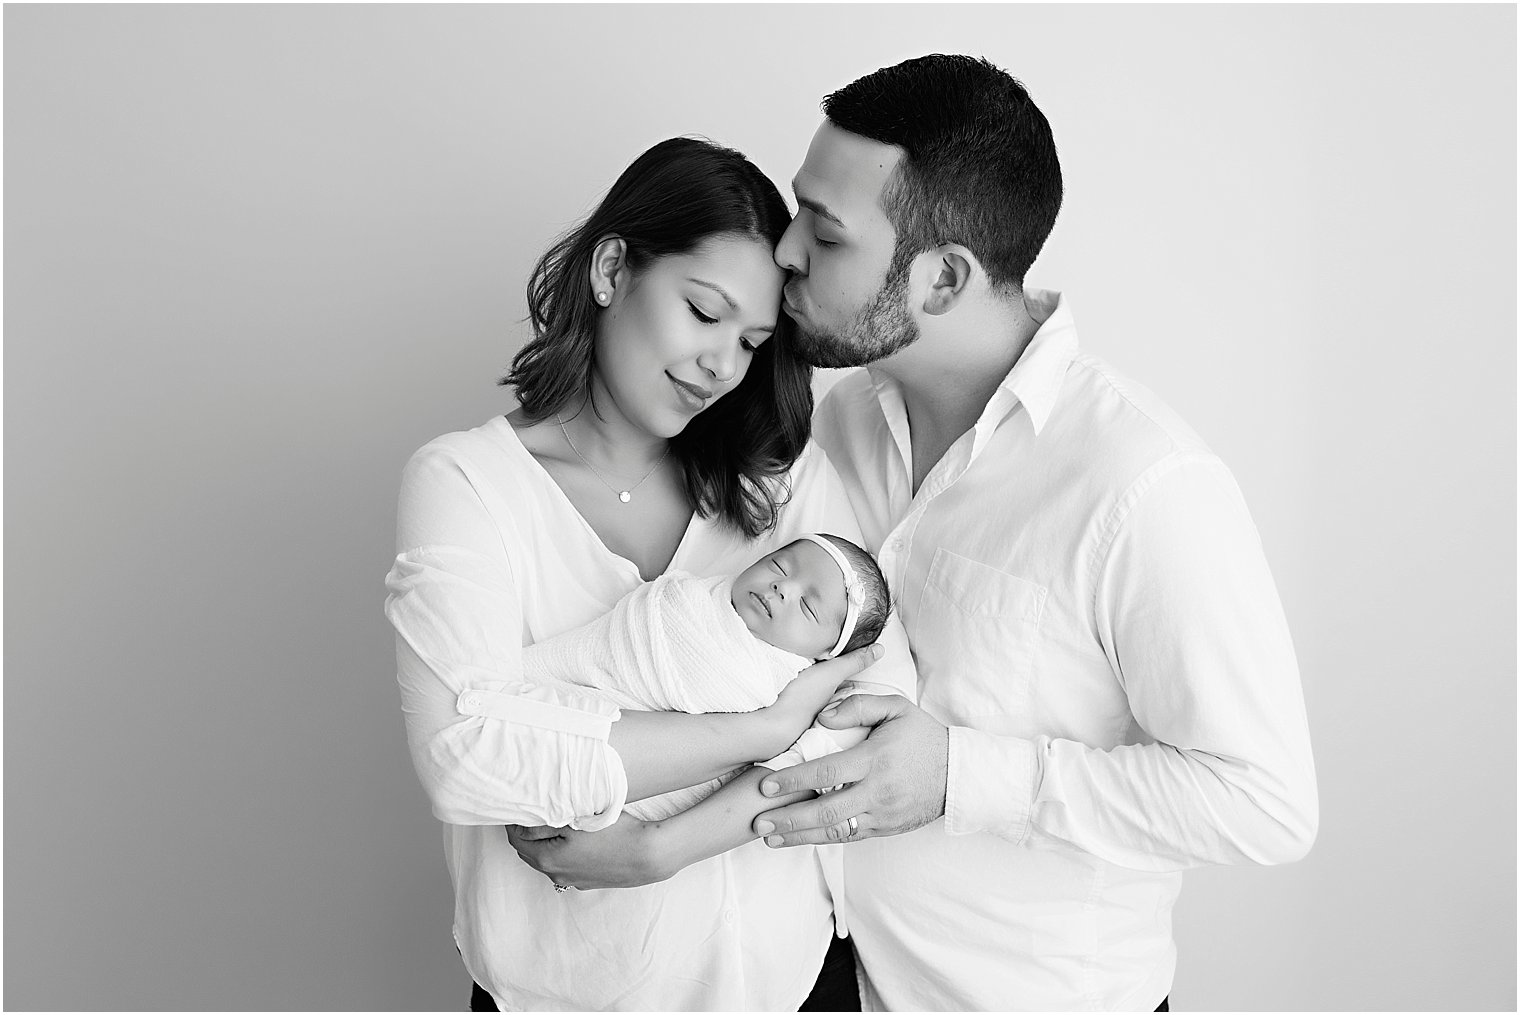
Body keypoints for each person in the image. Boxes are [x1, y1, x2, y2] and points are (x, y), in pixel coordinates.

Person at [737, 54, 1320, 1010]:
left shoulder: (1143, 484)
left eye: (825, 233)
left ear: (943, 279)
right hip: (829, 979)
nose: (786, 251)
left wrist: (964, 775)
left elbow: (1264, 803)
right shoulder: (839, 423)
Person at [384, 136, 915, 1011]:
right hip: (567, 993)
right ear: (611, 269)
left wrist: (665, 845)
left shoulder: (775, 478)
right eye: (702, 313)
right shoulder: (468, 484)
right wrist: (763, 728)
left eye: (750, 340)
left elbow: (873, 704)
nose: (723, 365)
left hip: (789, 982)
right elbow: (464, 759)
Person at [523, 532, 896, 823]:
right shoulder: (697, 597)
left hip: (623, 766)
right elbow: (622, 638)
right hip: (586, 680)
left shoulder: (777, 682)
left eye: (807, 606)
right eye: (780, 566)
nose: (783, 588)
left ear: (822, 656)